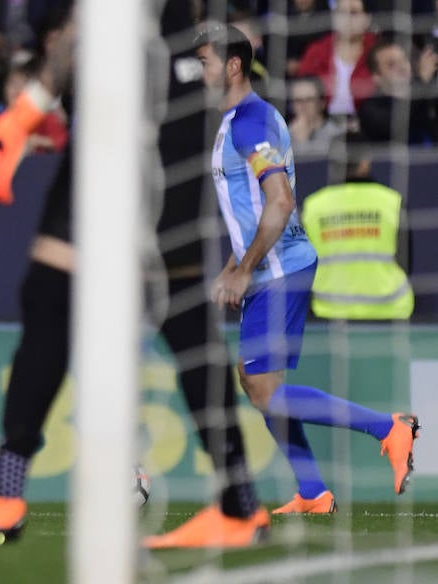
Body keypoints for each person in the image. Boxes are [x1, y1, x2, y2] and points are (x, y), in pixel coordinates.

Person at [0, 3, 269, 549]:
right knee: (162, 302)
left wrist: (23, 114)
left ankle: (5, 488)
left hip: (145, 97)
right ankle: (238, 503)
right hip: (152, 90)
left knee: (79, 292)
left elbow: (88, 24)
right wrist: (26, 112)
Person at [194, 24, 418, 516]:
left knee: (263, 388)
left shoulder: (248, 124)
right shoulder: (259, 115)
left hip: (278, 270)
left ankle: (388, 428)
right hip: (279, 264)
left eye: (206, 62)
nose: (200, 72)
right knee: (256, 382)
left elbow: (280, 201)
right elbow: (256, 208)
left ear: (232, 65)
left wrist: (243, 269)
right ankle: (313, 492)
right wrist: (236, 262)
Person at [301, 134, 413, 319]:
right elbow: (406, 262)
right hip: (390, 310)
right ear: (365, 161)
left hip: (330, 311)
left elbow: (303, 266)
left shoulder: (313, 207)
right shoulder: (392, 203)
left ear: (333, 164)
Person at [296, 0, 377, 118]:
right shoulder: (316, 52)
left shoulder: (379, 50)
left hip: (368, 127)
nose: (347, 19)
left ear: (367, 18)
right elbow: (300, 94)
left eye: (354, 13)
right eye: (341, 12)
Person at [357, 38, 438, 145]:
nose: (402, 67)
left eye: (404, 60)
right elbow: (395, 125)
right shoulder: (370, 109)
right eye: (391, 65)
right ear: (376, 77)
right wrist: (421, 82)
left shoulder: (427, 95)